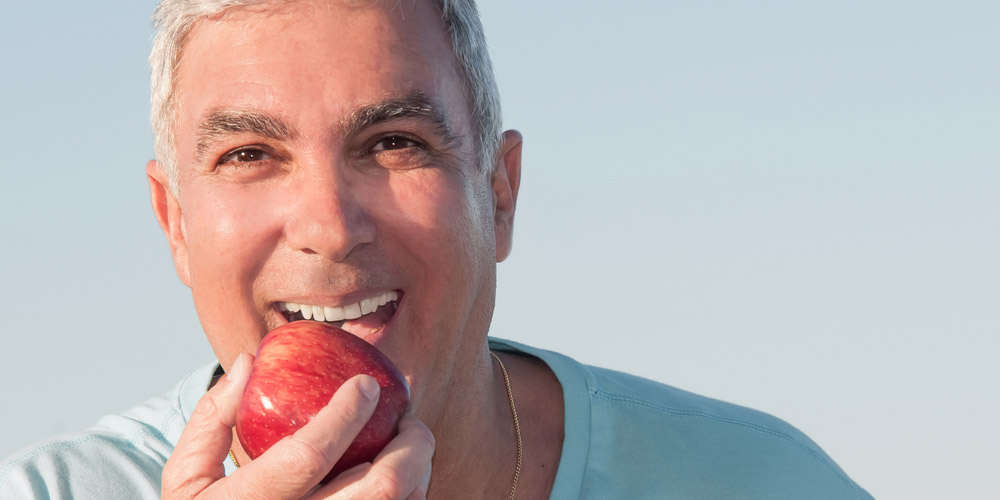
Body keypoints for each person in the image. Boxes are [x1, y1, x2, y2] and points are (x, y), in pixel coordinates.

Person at [0, 0, 874, 499]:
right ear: (175, 224)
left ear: (499, 193)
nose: (329, 225)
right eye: (249, 155)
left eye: (395, 142)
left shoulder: (759, 481)